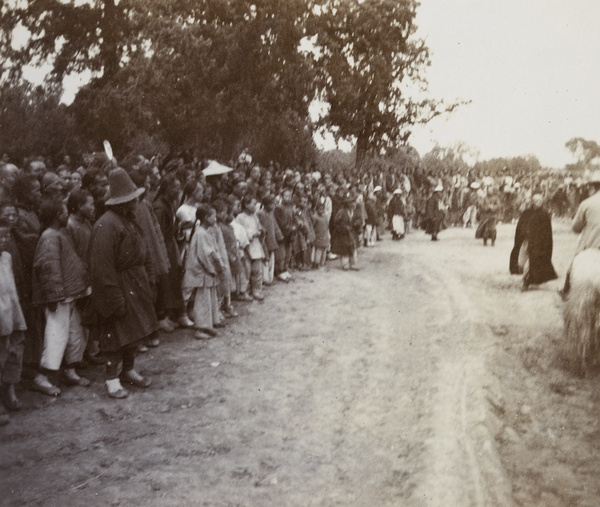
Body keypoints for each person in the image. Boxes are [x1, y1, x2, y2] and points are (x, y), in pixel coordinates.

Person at [89, 168, 157, 399]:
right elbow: (101, 267)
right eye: (132, 198)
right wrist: (113, 297)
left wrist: (148, 277)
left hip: (136, 285)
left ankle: (128, 370)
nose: (137, 201)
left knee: (134, 333)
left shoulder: (129, 220)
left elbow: (144, 251)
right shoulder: (106, 225)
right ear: (122, 201)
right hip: (118, 286)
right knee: (115, 335)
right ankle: (111, 380)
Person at [31, 199, 91, 396]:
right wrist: (54, 296)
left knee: (74, 333)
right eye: (65, 212)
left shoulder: (60, 234)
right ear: (58, 216)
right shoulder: (49, 237)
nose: (67, 215)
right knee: (56, 336)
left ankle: (70, 370)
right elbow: (49, 269)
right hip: (59, 298)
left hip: (70, 294)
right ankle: (42, 377)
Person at [182, 204, 225, 340]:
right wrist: (216, 268)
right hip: (204, 271)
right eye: (213, 216)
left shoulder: (207, 231)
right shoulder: (201, 233)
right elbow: (206, 255)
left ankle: (209, 325)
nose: (216, 218)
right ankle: (200, 328)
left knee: (210, 298)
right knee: (203, 300)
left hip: (208, 272)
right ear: (206, 218)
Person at [0, 226, 27, 423]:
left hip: (12, 308)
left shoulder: (6, 257)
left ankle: (9, 391)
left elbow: (11, 286)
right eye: (0, 236)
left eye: (6, 236)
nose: (3, 240)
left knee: (15, 352)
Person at [560, 170, 600, 298]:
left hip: (590, 248)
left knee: (572, 267)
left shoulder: (587, 203)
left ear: (593, 187)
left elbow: (576, 228)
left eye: (589, 187)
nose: (588, 190)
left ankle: (566, 291)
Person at [509, 193, 557, 291]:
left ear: (542, 201)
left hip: (537, 245)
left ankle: (525, 283)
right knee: (521, 263)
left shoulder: (544, 214)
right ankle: (527, 278)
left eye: (540, 200)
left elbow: (547, 232)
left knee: (530, 264)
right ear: (532, 201)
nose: (538, 202)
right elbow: (520, 225)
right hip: (526, 242)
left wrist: (544, 245)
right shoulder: (527, 212)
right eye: (536, 201)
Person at [330, 192, 359, 270]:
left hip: (352, 233)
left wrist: (357, 223)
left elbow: (357, 219)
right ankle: (345, 264)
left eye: (352, 202)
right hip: (344, 234)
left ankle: (353, 263)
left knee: (353, 248)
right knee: (344, 249)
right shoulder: (341, 212)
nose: (352, 204)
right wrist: (343, 227)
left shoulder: (354, 211)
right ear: (346, 204)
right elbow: (336, 223)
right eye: (349, 202)